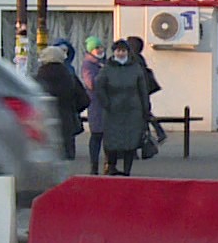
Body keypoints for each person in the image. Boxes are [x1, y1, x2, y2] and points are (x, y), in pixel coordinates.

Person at [92, 39, 152, 177]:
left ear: (127, 52)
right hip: (113, 110)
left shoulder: (135, 68)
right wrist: (106, 103)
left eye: (123, 51)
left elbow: (143, 89)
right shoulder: (107, 68)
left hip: (132, 110)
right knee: (112, 140)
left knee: (130, 141)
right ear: (114, 52)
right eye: (118, 51)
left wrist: (145, 108)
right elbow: (99, 87)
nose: (120, 53)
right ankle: (111, 167)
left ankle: (127, 170)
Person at [34, 46, 91, 162]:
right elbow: (85, 100)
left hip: (44, 123)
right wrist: (72, 110)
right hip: (67, 122)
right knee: (66, 160)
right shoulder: (70, 77)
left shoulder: (37, 79)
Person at [79, 37, 109, 174]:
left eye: (101, 47)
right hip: (96, 104)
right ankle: (94, 166)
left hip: (108, 104)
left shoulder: (106, 62)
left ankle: (109, 165)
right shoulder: (88, 65)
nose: (100, 50)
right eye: (97, 48)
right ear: (91, 50)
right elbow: (91, 83)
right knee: (96, 135)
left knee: (109, 137)